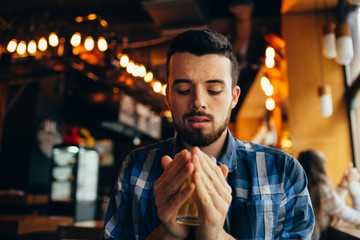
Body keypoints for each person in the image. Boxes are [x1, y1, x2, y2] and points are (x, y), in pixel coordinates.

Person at [101, 29, 315, 240]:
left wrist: (215, 235)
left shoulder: (282, 171)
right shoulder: (136, 168)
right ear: (168, 96)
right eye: (184, 90)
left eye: (213, 90)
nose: (198, 102)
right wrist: (168, 233)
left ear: (234, 96)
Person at [297, 150, 360, 240]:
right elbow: (358, 218)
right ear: (320, 168)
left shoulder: (304, 188)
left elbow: (332, 206)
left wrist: (342, 187)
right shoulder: (322, 191)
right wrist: (353, 184)